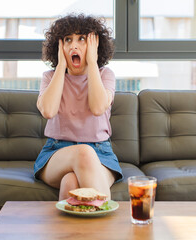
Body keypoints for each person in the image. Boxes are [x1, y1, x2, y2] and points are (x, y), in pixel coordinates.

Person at [34, 14, 123, 201]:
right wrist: (60, 66)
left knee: (70, 182)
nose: (73, 46)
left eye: (81, 39)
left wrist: (92, 62)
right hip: (57, 153)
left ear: (95, 45)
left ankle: (68, 231)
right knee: (83, 152)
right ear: (59, 47)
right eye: (68, 40)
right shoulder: (50, 77)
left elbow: (98, 107)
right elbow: (48, 111)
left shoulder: (105, 75)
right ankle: (107, 225)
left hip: (101, 154)